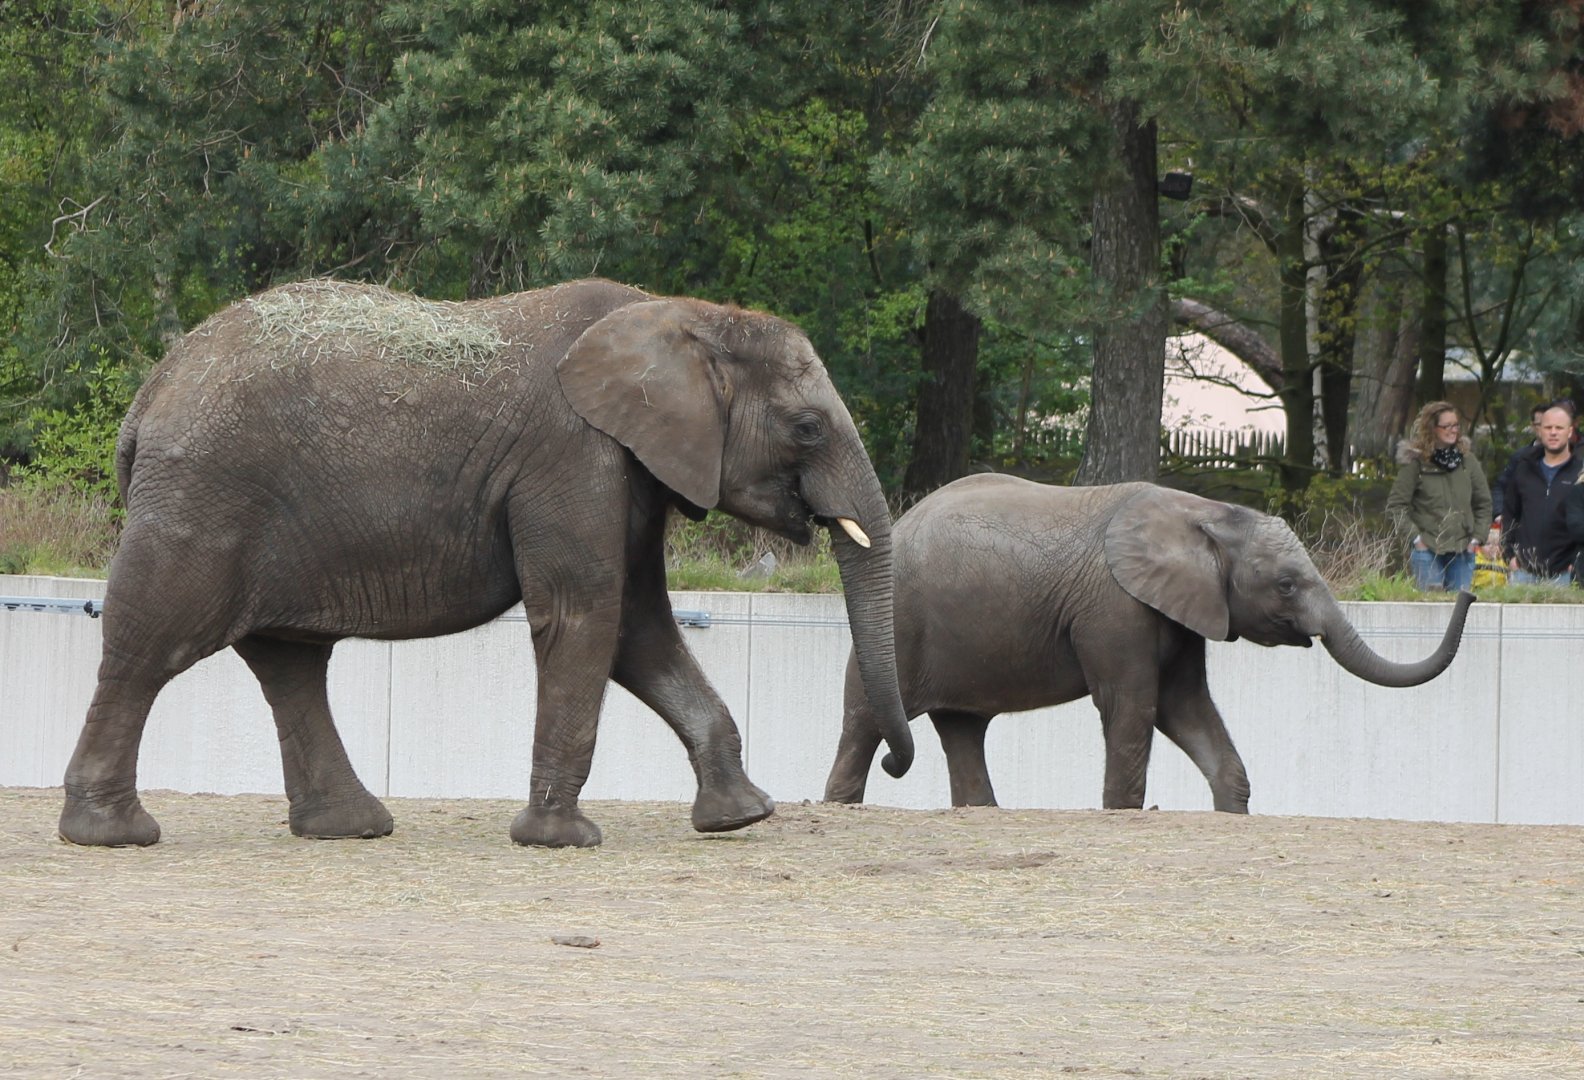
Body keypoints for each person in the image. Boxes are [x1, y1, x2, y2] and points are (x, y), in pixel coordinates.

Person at [1387, 401, 1491, 592]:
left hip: (1463, 549)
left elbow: (1484, 502)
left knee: (1459, 612)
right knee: (1429, 614)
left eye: (1456, 425)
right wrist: (1417, 540)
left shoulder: (1468, 461)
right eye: (1447, 426)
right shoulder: (1416, 463)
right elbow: (1396, 506)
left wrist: (1477, 538)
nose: (1453, 430)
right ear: (1432, 429)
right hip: (1428, 550)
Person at [1499, 401, 1582, 585]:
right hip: (1523, 572)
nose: (1553, 432)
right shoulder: (1523, 468)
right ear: (1539, 431)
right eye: (1548, 427)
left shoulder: (1581, 473)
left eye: (1559, 428)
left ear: (1569, 432)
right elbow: (1510, 513)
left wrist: (1576, 565)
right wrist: (1509, 556)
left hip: (1565, 574)